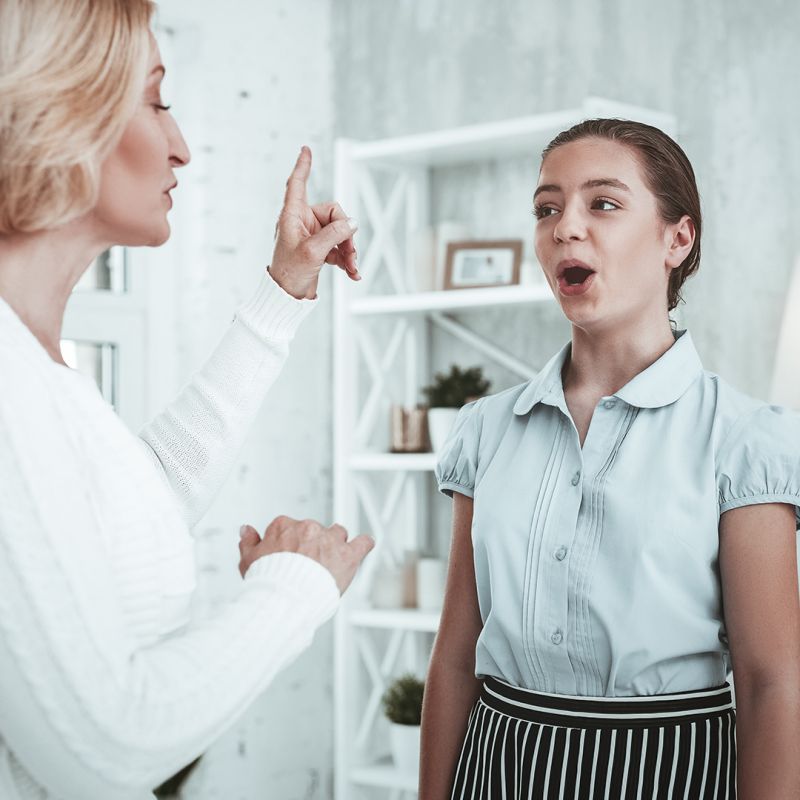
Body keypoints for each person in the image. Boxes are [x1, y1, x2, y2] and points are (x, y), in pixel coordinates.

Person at [0, 1, 373, 798]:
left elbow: (136, 504)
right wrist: (295, 587)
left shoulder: (38, 372)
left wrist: (283, 294)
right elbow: (105, 747)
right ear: (63, 108)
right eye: (158, 101)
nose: (182, 147)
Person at [420, 118, 800, 799]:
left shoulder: (746, 441)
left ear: (676, 239)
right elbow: (454, 662)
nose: (566, 226)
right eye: (546, 208)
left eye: (603, 203)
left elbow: (772, 683)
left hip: (674, 774)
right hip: (498, 768)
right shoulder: (483, 430)